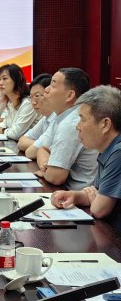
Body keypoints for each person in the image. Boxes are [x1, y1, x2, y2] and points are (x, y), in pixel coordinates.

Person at [51, 86, 121, 231]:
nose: (78, 126)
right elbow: (94, 193)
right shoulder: (107, 149)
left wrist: (96, 200)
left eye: (82, 119)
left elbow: (99, 209)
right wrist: (74, 196)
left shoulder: (118, 152)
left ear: (105, 124)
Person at [35, 68, 97, 190]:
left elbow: (55, 177)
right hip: (66, 191)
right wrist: (46, 166)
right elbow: (42, 149)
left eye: (53, 85)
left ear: (69, 95)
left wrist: (48, 170)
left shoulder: (72, 123)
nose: (46, 89)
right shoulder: (61, 116)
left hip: (79, 195)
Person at [0, 64, 39, 140]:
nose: (0, 83)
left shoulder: (28, 103)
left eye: (5, 78)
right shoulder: (10, 103)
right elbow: (4, 123)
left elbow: (15, 134)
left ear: (17, 80)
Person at [17, 73, 55, 156]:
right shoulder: (45, 118)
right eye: (31, 97)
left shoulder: (58, 119)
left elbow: (30, 153)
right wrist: (41, 146)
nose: (33, 102)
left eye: (37, 96)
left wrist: (37, 146)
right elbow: (21, 142)